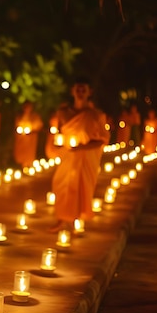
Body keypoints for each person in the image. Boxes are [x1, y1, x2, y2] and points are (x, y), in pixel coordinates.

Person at [49, 77, 110, 232]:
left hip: (85, 159)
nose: (80, 92)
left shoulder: (96, 116)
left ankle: (74, 220)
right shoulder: (63, 113)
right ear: (72, 91)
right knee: (60, 185)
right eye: (78, 89)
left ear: (90, 92)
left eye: (84, 90)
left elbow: (102, 140)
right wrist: (57, 143)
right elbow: (58, 133)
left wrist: (82, 147)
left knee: (79, 188)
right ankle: (62, 218)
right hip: (67, 156)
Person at [13, 100, 43, 167]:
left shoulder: (35, 116)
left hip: (30, 139)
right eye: (25, 106)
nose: (26, 108)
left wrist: (32, 130)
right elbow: (16, 125)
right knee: (20, 152)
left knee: (29, 153)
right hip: (21, 138)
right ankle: (20, 165)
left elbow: (39, 125)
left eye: (28, 107)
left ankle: (28, 165)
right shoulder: (19, 116)